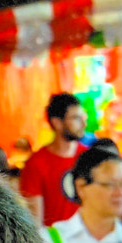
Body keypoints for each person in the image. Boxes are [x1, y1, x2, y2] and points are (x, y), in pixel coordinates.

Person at [19, 94, 88, 226]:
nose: (83, 124)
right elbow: (36, 222)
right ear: (57, 123)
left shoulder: (90, 157)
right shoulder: (36, 164)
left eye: (83, 118)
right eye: (76, 118)